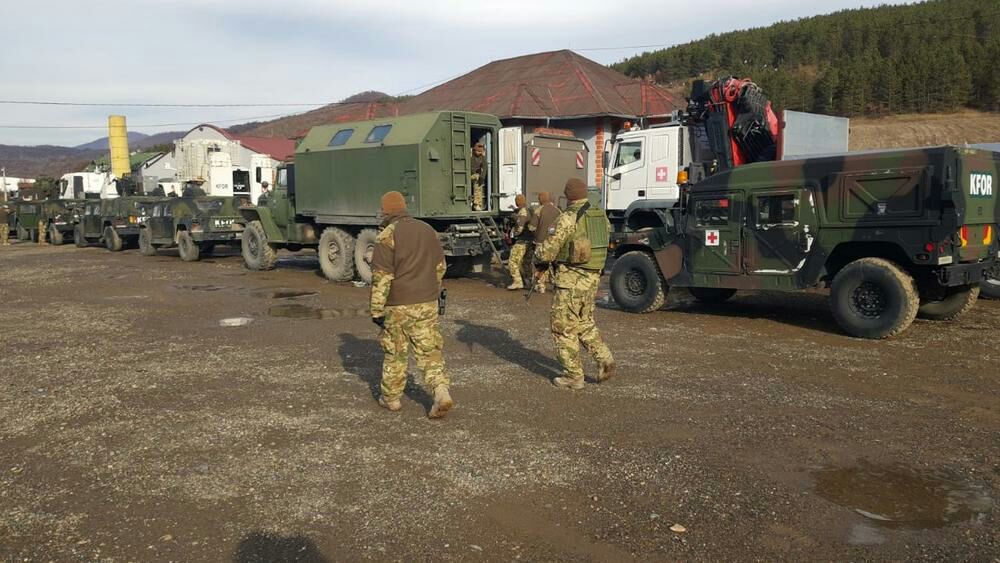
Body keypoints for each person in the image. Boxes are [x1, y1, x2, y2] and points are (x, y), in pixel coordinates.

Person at [370, 190, 454, 418]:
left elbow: (381, 277)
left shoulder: (387, 236)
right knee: (430, 351)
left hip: (398, 305)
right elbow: (440, 267)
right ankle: (441, 391)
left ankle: (391, 399)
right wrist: (431, 290)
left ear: (385, 211)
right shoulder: (427, 230)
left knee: (395, 353)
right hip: (427, 302)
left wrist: (376, 310)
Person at [533, 178, 615, 390]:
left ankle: (573, 376)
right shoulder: (600, 216)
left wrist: (537, 257)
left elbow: (547, 251)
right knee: (584, 321)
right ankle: (605, 358)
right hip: (592, 277)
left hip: (571, 280)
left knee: (562, 327)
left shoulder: (568, 217)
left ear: (568, 195)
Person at [528, 191, 561, 294]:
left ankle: (540, 286)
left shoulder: (539, 210)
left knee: (540, 265)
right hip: (555, 243)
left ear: (540, 199)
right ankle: (556, 284)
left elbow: (532, 227)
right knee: (555, 264)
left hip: (541, 242)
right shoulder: (558, 211)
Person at [506, 194, 531, 290]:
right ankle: (529, 281)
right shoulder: (528, 210)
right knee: (525, 263)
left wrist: (514, 234)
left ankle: (517, 281)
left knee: (513, 261)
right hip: (529, 241)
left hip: (522, 241)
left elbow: (520, 227)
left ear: (517, 202)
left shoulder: (522, 212)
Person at [470, 142, 486, 211]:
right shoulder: (470, 154)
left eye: (481, 152)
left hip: (475, 175)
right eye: (478, 151)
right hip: (469, 174)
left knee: (478, 184)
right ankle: (476, 204)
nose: (479, 153)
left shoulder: (482, 157)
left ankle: (477, 204)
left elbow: (485, 166)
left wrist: (482, 176)